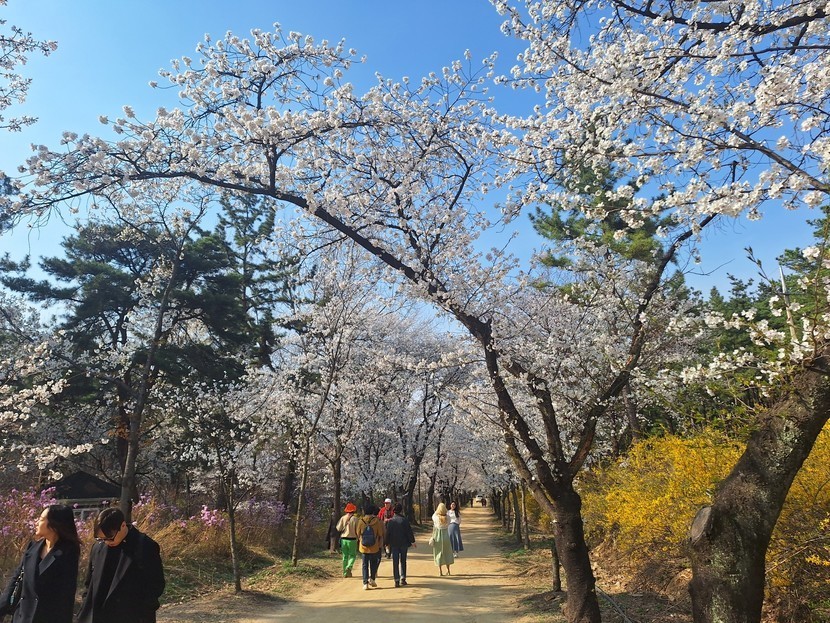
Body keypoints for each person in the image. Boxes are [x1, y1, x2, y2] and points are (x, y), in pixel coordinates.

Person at [76, 507, 165, 623]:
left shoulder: (145, 546)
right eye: (101, 539)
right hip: (99, 615)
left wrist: (144, 611)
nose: (107, 542)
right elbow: (89, 584)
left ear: (123, 525)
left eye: (110, 538)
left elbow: (155, 584)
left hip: (132, 615)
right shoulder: (98, 547)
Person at [0, 504, 80, 623]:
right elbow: (16, 579)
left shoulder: (68, 553)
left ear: (54, 525)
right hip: (22, 617)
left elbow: (65, 596)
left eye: (41, 519)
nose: (36, 522)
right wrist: (2, 606)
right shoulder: (32, 548)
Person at [384, 503, 415, 587]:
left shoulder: (391, 521)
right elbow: (409, 531)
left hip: (394, 544)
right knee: (403, 560)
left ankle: (396, 580)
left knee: (395, 562)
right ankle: (403, 578)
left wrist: (386, 543)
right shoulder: (404, 520)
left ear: (394, 511)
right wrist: (412, 541)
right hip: (404, 543)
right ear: (401, 510)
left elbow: (387, 533)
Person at [356, 504, 384, 590]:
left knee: (364, 565)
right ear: (372, 512)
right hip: (374, 546)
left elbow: (358, 533)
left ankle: (365, 583)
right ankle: (372, 579)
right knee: (373, 563)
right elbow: (380, 533)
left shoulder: (361, 521)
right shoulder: (376, 521)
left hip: (363, 547)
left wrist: (361, 539)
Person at [335, 502, 359, 577]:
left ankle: (345, 573)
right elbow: (358, 530)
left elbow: (338, 528)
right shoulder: (356, 519)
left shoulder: (343, 518)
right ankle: (349, 566)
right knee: (352, 555)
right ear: (353, 510)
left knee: (345, 556)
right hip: (352, 539)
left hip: (343, 539)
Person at [430, 502, 454, 576]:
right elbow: (449, 522)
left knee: (438, 553)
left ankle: (440, 571)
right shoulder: (448, 518)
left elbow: (433, 515)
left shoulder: (436, 518)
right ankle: (448, 570)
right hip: (446, 536)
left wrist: (437, 511)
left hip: (438, 536)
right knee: (447, 553)